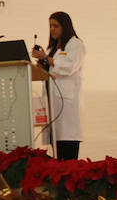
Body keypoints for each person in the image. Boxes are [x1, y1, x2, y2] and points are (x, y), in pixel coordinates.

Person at [31, 11, 85, 160]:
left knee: (67, 148)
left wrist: (46, 59)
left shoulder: (76, 44)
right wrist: (40, 63)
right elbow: (47, 70)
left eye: (56, 26)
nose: (52, 29)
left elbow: (69, 67)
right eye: (50, 26)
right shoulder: (52, 48)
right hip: (52, 102)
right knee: (57, 150)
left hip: (67, 105)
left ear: (65, 26)